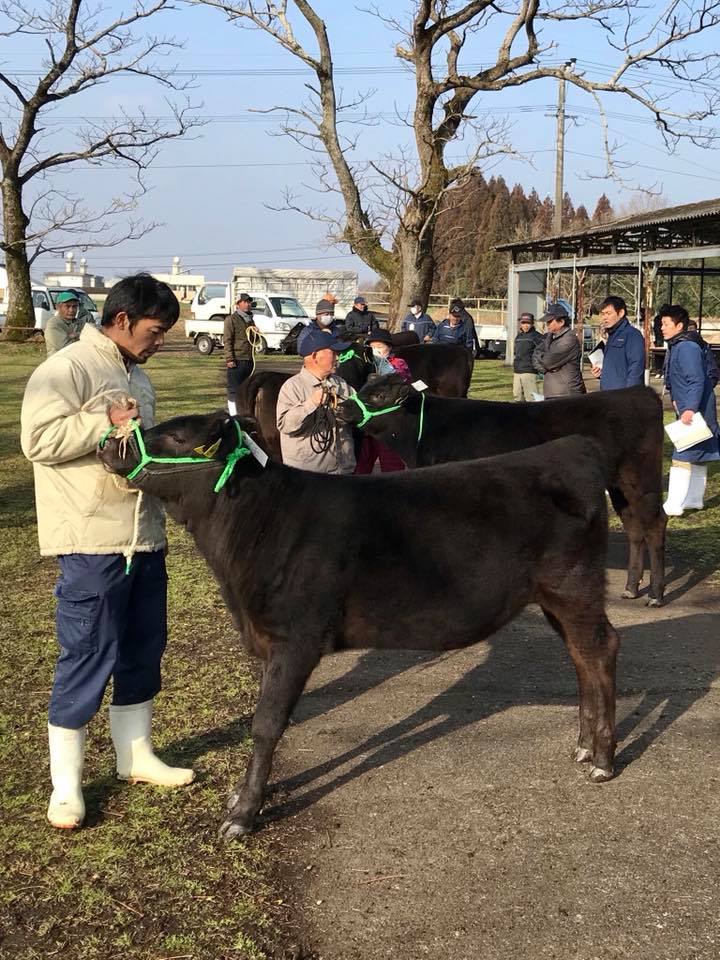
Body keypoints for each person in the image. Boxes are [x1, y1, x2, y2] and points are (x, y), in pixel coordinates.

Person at [20, 273, 193, 831]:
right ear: (122, 320)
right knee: (89, 649)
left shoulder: (137, 375)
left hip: (144, 535)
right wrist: (102, 423)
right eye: (155, 329)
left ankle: (135, 755)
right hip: (93, 538)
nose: (160, 339)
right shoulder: (66, 368)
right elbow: (37, 440)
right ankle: (66, 787)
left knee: (145, 645)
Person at [660, 304, 720, 515]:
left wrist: (689, 409)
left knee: (682, 455)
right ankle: (694, 499)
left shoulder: (686, 347)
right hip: (693, 407)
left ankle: (673, 504)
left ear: (679, 325)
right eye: (661, 324)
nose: (662, 328)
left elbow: (696, 380)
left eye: (666, 324)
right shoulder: (681, 344)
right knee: (698, 454)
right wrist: (677, 400)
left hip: (694, 410)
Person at [276, 327, 356, 474]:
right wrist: (311, 404)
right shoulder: (292, 387)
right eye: (333, 353)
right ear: (314, 357)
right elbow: (285, 426)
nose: (338, 358)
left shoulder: (341, 384)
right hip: (309, 478)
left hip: (343, 473)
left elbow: (358, 413)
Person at [353, 329, 410, 475]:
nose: (375, 350)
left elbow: (402, 380)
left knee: (392, 469)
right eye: (372, 347)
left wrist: (385, 369)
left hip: (388, 428)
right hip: (367, 426)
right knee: (361, 467)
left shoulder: (399, 364)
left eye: (379, 347)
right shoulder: (364, 364)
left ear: (389, 347)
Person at [590, 296, 645, 389]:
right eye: (603, 314)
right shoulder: (611, 335)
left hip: (622, 397)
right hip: (607, 394)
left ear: (621, 313)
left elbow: (636, 368)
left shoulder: (632, 335)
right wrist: (600, 373)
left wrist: (630, 394)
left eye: (608, 313)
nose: (605, 317)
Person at [532, 303, 586, 397]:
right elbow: (536, 353)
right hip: (554, 392)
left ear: (561, 322)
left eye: (549, 321)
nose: (547, 324)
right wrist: (544, 368)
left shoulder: (568, 339)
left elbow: (547, 361)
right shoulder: (551, 337)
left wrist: (544, 362)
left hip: (566, 393)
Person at [224, 292, 259, 415]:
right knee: (234, 389)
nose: (248, 304)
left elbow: (256, 341)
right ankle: (234, 414)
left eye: (249, 302)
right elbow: (227, 340)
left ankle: (244, 413)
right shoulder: (231, 319)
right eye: (245, 302)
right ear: (238, 304)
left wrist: (256, 333)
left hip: (249, 360)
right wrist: (230, 359)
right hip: (237, 360)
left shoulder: (250, 320)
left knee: (246, 389)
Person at [512, 312, 544, 401]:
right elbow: (516, 352)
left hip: (530, 371)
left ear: (532, 324)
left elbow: (543, 353)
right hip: (517, 371)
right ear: (520, 323)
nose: (525, 326)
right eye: (523, 323)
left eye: (528, 323)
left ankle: (532, 414)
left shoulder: (537, 337)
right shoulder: (518, 336)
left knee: (531, 397)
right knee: (517, 395)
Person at [45, 291, 84, 356]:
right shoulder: (54, 323)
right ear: (58, 307)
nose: (71, 310)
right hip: (58, 362)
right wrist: (81, 337)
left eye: (74, 306)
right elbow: (65, 347)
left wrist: (76, 335)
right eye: (67, 306)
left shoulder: (80, 323)